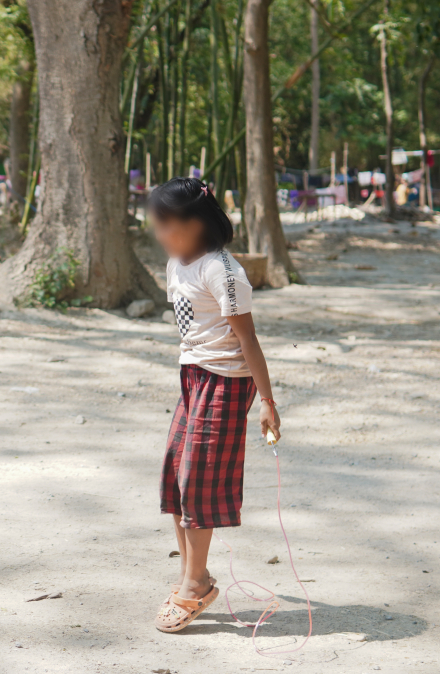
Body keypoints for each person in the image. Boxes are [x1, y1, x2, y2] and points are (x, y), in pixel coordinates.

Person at [146, 177, 281, 632]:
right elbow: (193, 331)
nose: (159, 232)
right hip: (194, 378)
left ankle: (193, 586)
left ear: (194, 222)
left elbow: (248, 338)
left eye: (165, 224)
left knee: (198, 481)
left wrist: (266, 400)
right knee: (177, 475)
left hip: (227, 381)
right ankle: (193, 574)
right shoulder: (176, 263)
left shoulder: (224, 271)